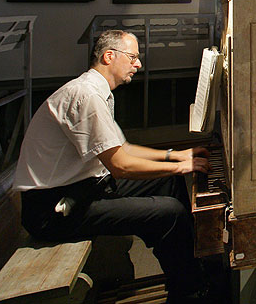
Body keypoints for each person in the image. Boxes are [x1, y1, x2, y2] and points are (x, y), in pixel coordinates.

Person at [13, 30, 211, 303]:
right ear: (109, 56)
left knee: (166, 183)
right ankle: (189, 291)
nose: (138, 64)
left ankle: (192, 260)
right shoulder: (87, 96)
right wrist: (181, 167)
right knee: (170, 212)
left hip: (81, 189)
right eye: (133, 57)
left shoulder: (96, 91)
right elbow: (119, 165)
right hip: (54, 209)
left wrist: (175, 155)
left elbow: (123, 148)